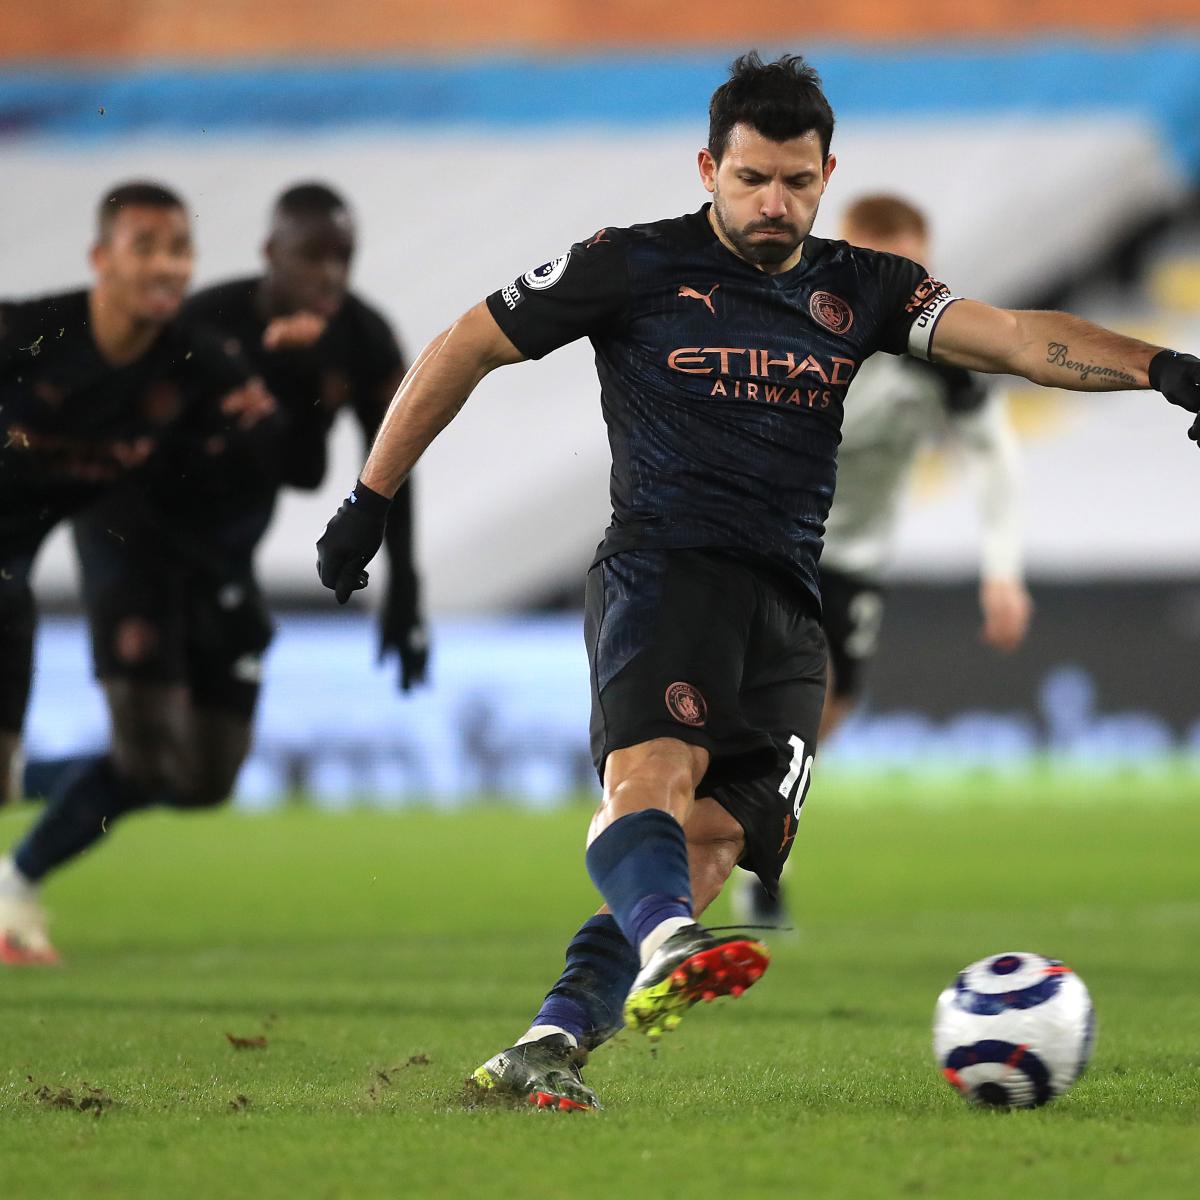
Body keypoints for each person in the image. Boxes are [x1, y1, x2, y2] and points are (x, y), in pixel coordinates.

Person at [315, 52, 1200, 1110]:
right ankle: (669, 943)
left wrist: (1162, 367)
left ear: (828, 174)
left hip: (791, 604)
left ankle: (551, 1039)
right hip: (664, 569)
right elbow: (466, 344)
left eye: (797, 181)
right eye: (751, 180)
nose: (774, 203)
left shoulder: (861, 286)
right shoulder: (629, 265)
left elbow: (1013, 338)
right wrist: (370, 498)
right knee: (649, 780)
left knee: (718, 839)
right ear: (708, 168)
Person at [1, 183, 427, 965]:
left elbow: (310, 468)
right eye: (312, 256)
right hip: (136, 550)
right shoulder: (190, 327)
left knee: (204, 775)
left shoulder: (338, 342)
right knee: (144, 755)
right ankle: (15, 882)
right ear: (271, 253)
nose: (330, 274)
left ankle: (28, 782)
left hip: (221, 564)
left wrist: (406, 586)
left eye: (344, 258)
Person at [735, 193, 1033, 928]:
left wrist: (1002, 569)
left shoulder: (944, 359)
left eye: (916, 268)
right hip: (762, 540)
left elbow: (993, 453)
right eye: (888, 265)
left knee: (827, 709)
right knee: (774, 699)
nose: (906, 285)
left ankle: (760, 834)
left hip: (856, 556)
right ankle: (740, 848)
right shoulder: (787, 327)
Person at [0, 181, 271, 964]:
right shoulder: (29, 334)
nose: (167, 263)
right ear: (99, 259)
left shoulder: (196, 362)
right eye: (145, 245)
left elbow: (288, 454)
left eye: (179, 247)